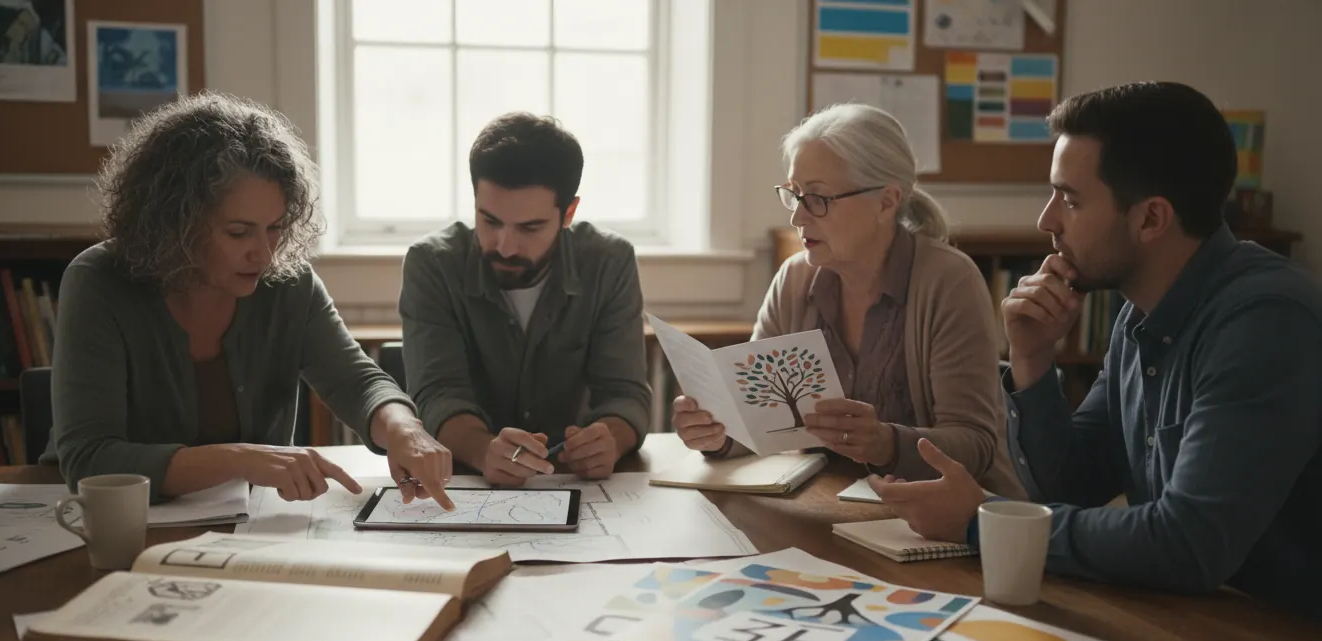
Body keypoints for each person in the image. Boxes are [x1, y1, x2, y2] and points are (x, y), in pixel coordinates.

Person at [868, 82, 1322, 618]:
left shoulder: (1266, 321)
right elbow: (1075, 486)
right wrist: (1033, 360)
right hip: (1195, 620)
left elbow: (1189, 543)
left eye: (1071, 199)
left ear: (1151, 218)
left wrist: (983, 518)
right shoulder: (1140, 310)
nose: (1047, 220)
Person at [51, 91, 454, 508]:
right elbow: (89, 461)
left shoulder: (288, 284)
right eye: (239, 232)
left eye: (275, 228)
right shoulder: (98, 282)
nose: (263, 254)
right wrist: (243, 460)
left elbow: (356, 382)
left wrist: (404, 428)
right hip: (110, 522)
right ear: (175, 224)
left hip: (249, 526)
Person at [672, 103, 1025, 499]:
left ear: (887, 202)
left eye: (819, 198)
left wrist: (886, 445)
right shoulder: (794, 281)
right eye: (794, 195)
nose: (798, 218)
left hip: (944, 521)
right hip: (830, 508)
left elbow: (976, 447)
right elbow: (760, 421)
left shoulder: (948, 282)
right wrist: (716, 433)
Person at [399, 112, 651, 487]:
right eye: (490, 221)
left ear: (569, 213)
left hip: (573, 484)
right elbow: (437, 394)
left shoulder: (608, 262)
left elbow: (626, 394)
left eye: (530, 227)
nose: (505, 246)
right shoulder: (432, 264)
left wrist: (611, 439)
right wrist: (484, 450)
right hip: (468, 484)